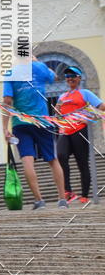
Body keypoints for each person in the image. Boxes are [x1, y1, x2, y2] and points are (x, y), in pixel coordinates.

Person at [2, 55, 67, 209]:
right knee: (53, 159)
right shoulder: (40, 67)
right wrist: (37, 61)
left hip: (21, 123)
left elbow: (7, 101)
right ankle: (62, 199)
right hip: (42, 121)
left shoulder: (10, 73)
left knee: (27, 159)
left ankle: (39, 200)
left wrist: (4, 127)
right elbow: (55, 77)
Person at [56, 65, 105, 204]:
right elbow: (58, 114)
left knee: (82, 162)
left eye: (72, 76)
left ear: (79, 78)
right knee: (61, 155)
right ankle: (68, 191)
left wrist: (90, 118)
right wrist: (58, 117)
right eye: (67, 76)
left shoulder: (85, 93)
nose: (69, 78)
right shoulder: (62, 96)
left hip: (80, 131)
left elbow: (102, 107)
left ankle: (84, 195)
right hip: (65, 131)